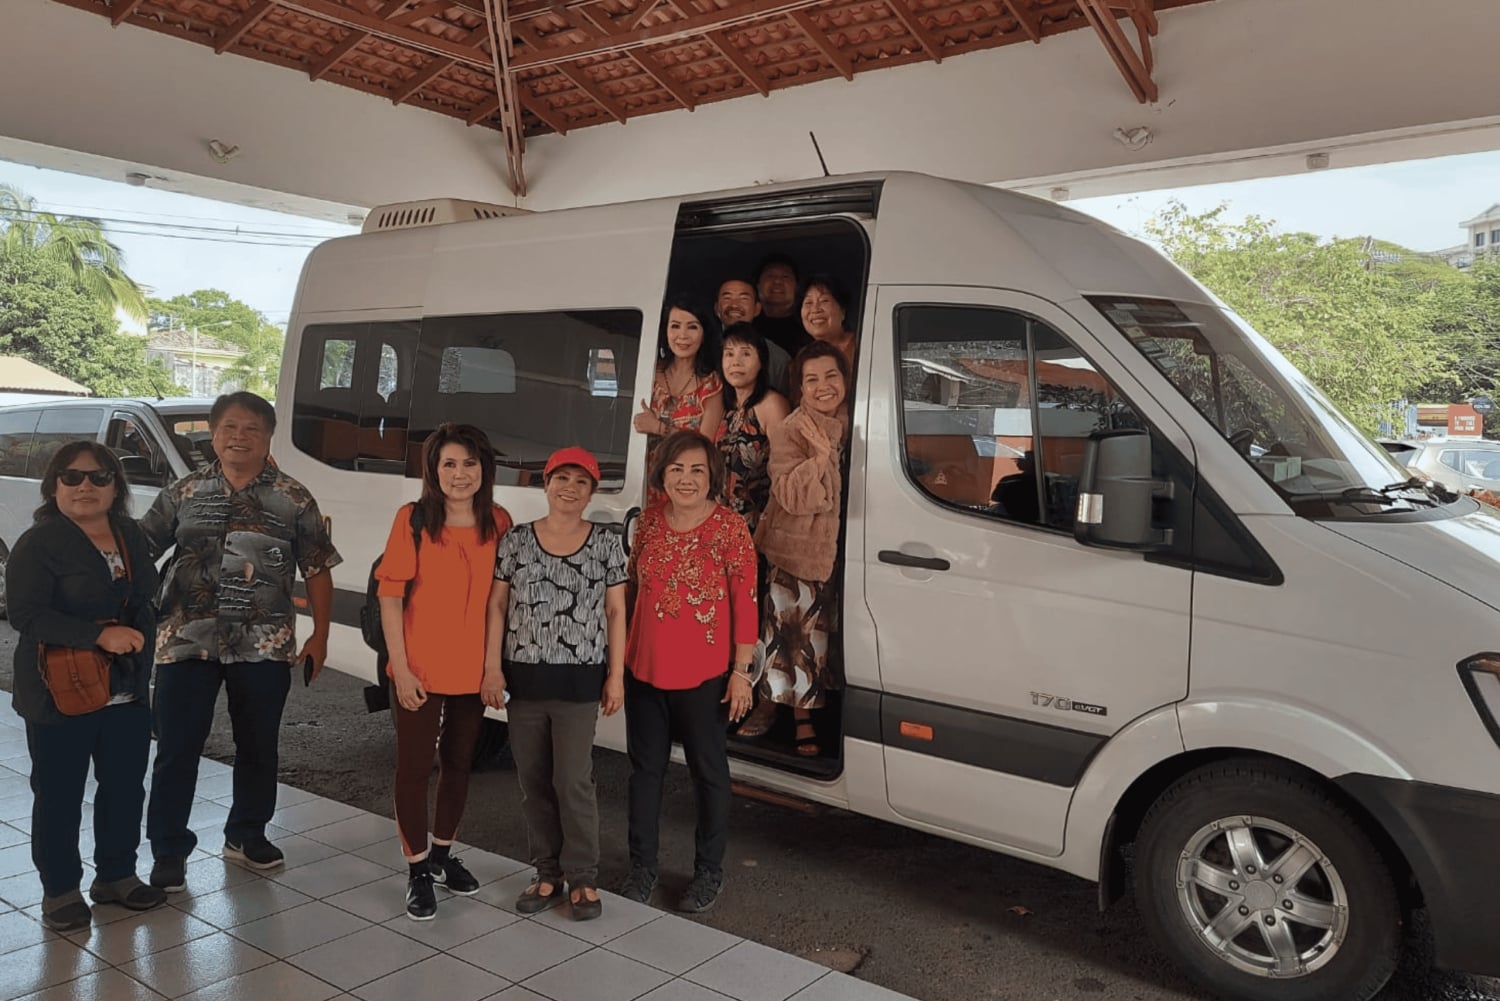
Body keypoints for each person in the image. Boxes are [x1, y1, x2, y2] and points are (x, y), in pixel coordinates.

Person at [143, 391, 341, 894]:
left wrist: (320, 633)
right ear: (213, 433)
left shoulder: (293, 498)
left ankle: (247, 834)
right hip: (186, 641)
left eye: (252, 428)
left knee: (258, 745)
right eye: (230, 427)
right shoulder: (183, 493)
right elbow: (140, 551)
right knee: (176, 748)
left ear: (268, 436)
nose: (239, 437)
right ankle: (168, 850)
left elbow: (317, 568)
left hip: (264, 643)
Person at [6, 443, 166, 931]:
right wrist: (99, 634)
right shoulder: (39, 543)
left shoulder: (129, 535)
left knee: (123, 787)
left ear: (116, 487)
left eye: (99, 478)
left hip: (126, 690)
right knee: (59, 792)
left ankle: (116, 875)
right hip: (59, 691)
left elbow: (145, 594)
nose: (85, 488)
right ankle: (60, 890)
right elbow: (26, 615)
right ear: (54, 485)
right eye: (72, 477)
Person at [377, 423, 512, 920]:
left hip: (473, 672)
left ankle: (441, 855)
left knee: (459, 765)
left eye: (470, 463)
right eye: (450, 463)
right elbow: (390, 597)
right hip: (419, 668)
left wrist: (493, 669)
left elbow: (500, 603)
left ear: (485, 469)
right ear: (433, 470)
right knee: (413, 770)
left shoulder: (499, 521)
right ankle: (416, 871)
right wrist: (402, 669)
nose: (460, 473)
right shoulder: (412, 519)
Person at [487, 447, 627, 921]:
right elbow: (498, 607)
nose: (570, 488)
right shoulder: (516, 541)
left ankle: (583, 875)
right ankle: (547, 872)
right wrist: (491, 667)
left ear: (592, 491)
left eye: (581, 481)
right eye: (561, 478)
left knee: (573, 780)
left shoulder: (607, 543)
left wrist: (615, 676)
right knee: (533, 780)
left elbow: (615, 611)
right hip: (523, 680)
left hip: (580, 681)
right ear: (545, 484)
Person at [619, 430, 757, 914]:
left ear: (713, 476)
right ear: (662, 474)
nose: (686, 479)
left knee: (709, 774)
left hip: (706, 676)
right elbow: (633, 590)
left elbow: (746, 602)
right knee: (645, 773)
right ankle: (641, 869)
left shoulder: (729, 529)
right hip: (643, 672)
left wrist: (742, 672)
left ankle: (708, 872)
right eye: (676, 469)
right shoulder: (650, 522)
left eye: (697, 469)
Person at [745, 343, 851, 755]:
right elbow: (791, 494)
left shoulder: (853, 420)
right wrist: (821, 458)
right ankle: (795, 717)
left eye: (831, 376)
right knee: (794, 645)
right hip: (798, 552)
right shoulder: (793, 428)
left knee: (827, 640)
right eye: (812, 379)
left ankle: (820, 710)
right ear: (800, 387)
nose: (823, 386)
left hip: (843, 551)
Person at [715, 322, 790, 535]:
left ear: (761, 362)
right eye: (729, 354)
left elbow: (785, 473)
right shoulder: (725, 407)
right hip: (722, 527)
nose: (735, 362)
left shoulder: (772, 405)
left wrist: (768, 526)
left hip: (759, 528)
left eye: (745, 354)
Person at [634, 296, 726, 451]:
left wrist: (659, 428)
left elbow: (704, 445)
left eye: (692, 327)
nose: (682, 335)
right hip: (637, 472)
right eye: (675, 326)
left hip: (684, 474)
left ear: (704, 335)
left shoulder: (712, 384)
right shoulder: (647, 371)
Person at [715, 278, 790, 392]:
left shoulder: (777, 357)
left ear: (757, 309)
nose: (734, 304)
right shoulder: (703, 349)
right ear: (717, 309)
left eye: (743, 298)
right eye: (727, 298)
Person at [754, 253, 811, 361]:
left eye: (785, 277)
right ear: (758, 285)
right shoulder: (747, 325)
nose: (777, 282)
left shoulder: (809, 326)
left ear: (797, 287)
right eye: (770, 276)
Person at [800, 274, 858, 370]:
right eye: (808, 303)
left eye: (824, 301)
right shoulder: (802, 358)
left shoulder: (863, 345)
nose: (815, 309)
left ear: (842, 311)